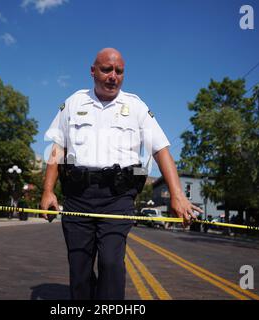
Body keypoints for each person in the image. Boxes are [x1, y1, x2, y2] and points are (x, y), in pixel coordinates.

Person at [40, 48, 203, 300]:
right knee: (79, 268)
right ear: (92, 71)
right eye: (107, 69)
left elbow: (161, 150)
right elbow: (57, 149)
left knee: (111, 263)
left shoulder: (136, 107)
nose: (113, 76)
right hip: (78, 195)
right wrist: (48, 191)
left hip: (117, 197)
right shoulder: (74, 102)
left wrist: (177, 194)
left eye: (119, 71)